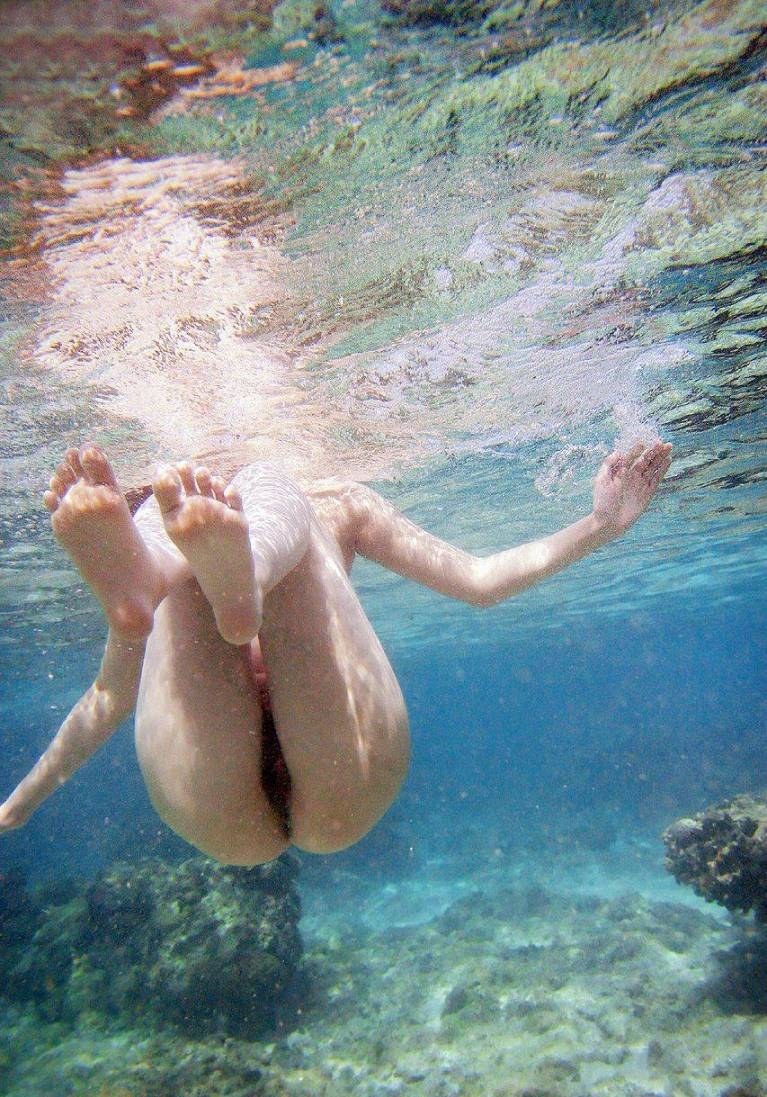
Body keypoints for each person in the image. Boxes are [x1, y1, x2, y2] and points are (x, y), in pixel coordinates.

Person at [0, 439, 672, 864]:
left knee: (209, 491)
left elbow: (108, 699)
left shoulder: (228, 502)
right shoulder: (340, 500)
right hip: (345, 775)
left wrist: (20, 804)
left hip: (207, 802)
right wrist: (597, 527)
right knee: (269, 480)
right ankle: (230, 568)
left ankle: (180, 565)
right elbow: (479, 582)